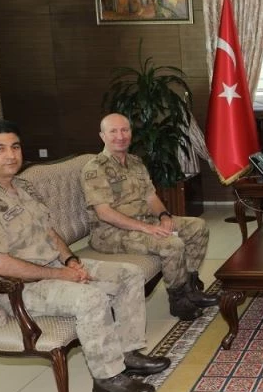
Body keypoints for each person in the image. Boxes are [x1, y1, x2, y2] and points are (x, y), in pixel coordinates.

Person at [0, 119, 171, 392]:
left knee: (129, 274)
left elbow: (50, 233)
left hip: (53, 267)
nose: (11, 155)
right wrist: (61, 275)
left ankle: (128, 353)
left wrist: (70, 260)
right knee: (90, 297)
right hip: (17, 287)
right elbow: (0, 265)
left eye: (15, 147)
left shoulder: (21, 187)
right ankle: (107, 380)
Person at [81, 113, 217, 322]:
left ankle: (190, 288)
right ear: (102, 136)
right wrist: (146, 228)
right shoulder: (95, 168)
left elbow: (151, 197)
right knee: (171, 243)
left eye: (125, 130)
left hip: (143, 221)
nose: (120, 136)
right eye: (113, 131)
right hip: (110, 233)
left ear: (131, 133)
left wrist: (164, 216)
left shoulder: (136, 162)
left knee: (197, 227)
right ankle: (179, 301)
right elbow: (104, 213)